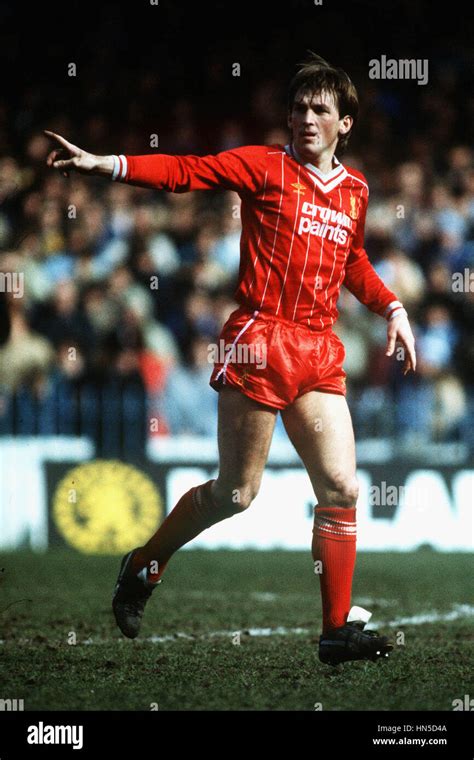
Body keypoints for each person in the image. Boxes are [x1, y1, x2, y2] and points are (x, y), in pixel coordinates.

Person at [45, 53, 416, 665]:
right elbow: (186, 171)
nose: (305, 118)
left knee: (343, 486)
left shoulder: (355, 191)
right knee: (237, 494)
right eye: (297, 108)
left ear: (344, 123)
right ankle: (143, 564)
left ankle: (334, 631)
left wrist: (393, 308)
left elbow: (352, 261)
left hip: (318, 347)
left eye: (319, 109)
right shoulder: (266, 165)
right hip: (260, 341)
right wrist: (103, 164)